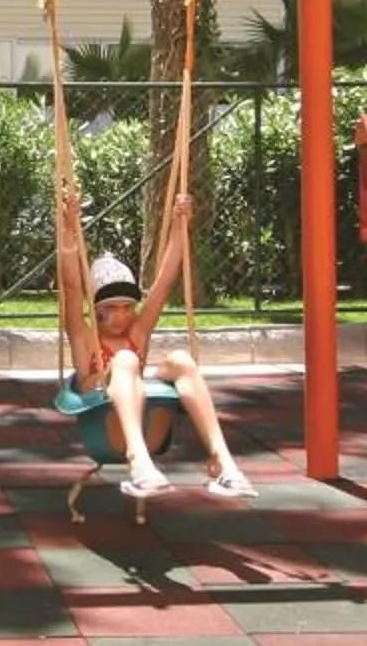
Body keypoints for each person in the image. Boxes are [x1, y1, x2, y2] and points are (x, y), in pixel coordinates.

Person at [57, 187, 256, 502]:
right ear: (96, 311)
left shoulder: (137, 333)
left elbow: (164, 282)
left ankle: (224, 463)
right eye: (113, 309)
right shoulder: (84, 337)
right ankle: (139, 464)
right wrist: (69, 228)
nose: (123, 316)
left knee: (180, 359)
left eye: (128, 306)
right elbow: (70, 286)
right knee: (125, 361)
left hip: (142, 418)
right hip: (104, 424)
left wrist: (181, 225)